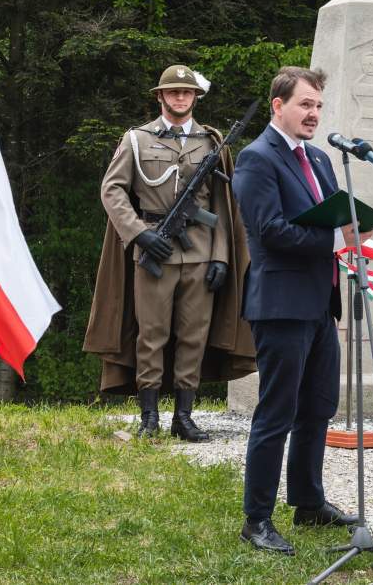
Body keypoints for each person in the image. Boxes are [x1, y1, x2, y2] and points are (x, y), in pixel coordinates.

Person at [231, 66, 371, 555]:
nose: (313, 114)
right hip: (280, 303)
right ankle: (256, 520)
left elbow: (326, 216)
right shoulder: (256, 158)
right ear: (278, 105)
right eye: (304, 104)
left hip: (319, 302)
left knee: (318, 408)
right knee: (277, 411)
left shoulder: (318, 157)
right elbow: (269, 230)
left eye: (317, 105)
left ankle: (309, 502)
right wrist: (338, 237)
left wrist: (351, 231)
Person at [84, 65, 255, 441]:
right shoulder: (136, 140)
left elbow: (224, 207)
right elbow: (111, 190)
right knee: (152, 335)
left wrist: (222, 256)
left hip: (201, 253)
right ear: (160, 97)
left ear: (195, 98)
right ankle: (149, 417)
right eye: (173, 92)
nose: (180, 98)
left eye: (187, 92)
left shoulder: (212, 142)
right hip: (154, 252)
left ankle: (184, 416)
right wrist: (139, 235)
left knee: (193, 336)